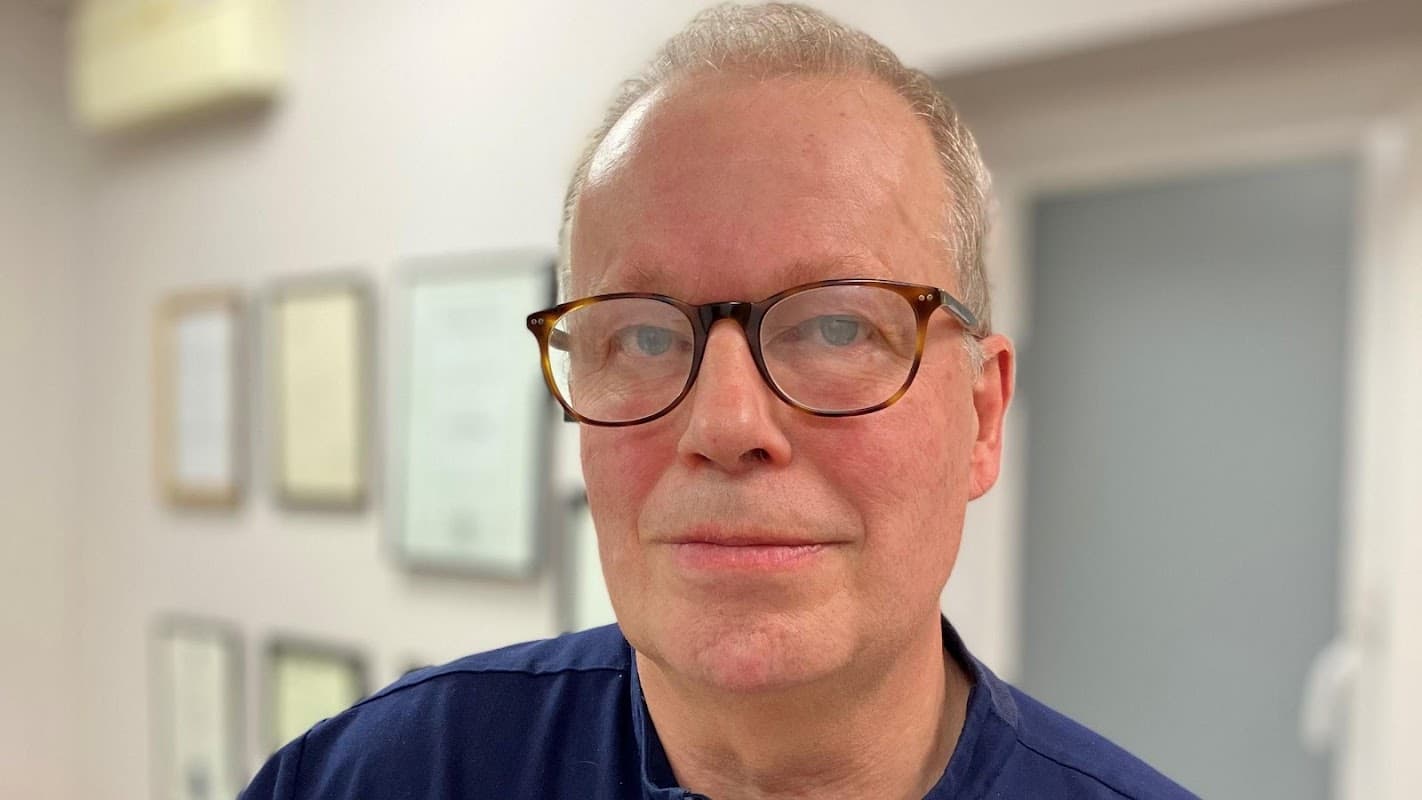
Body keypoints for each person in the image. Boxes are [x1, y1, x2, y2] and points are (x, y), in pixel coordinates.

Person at [242, 4, 1196, 798]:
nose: (727, 424)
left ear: (982, 418)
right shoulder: (380, 778)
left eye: (835, 328)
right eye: (644, 337)